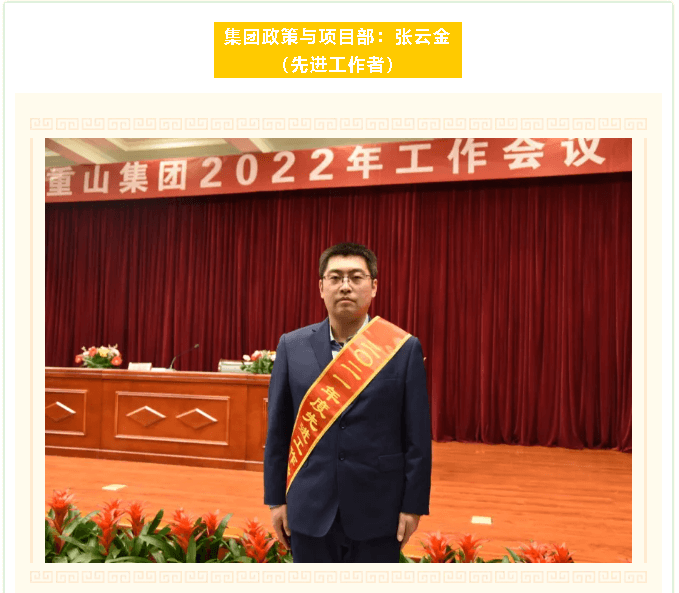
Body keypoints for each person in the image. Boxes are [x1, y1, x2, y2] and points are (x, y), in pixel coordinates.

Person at [264, 242, 432, 563]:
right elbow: (278, 432)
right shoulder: (292, 346)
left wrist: (413, 506)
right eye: (335, 277)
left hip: (379, 507)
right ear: (321, 287)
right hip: (309, 506)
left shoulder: (403, 349)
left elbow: (417, 439)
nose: (345, 286)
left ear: (374, 286)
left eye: (356, 277)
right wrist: (276, 500)